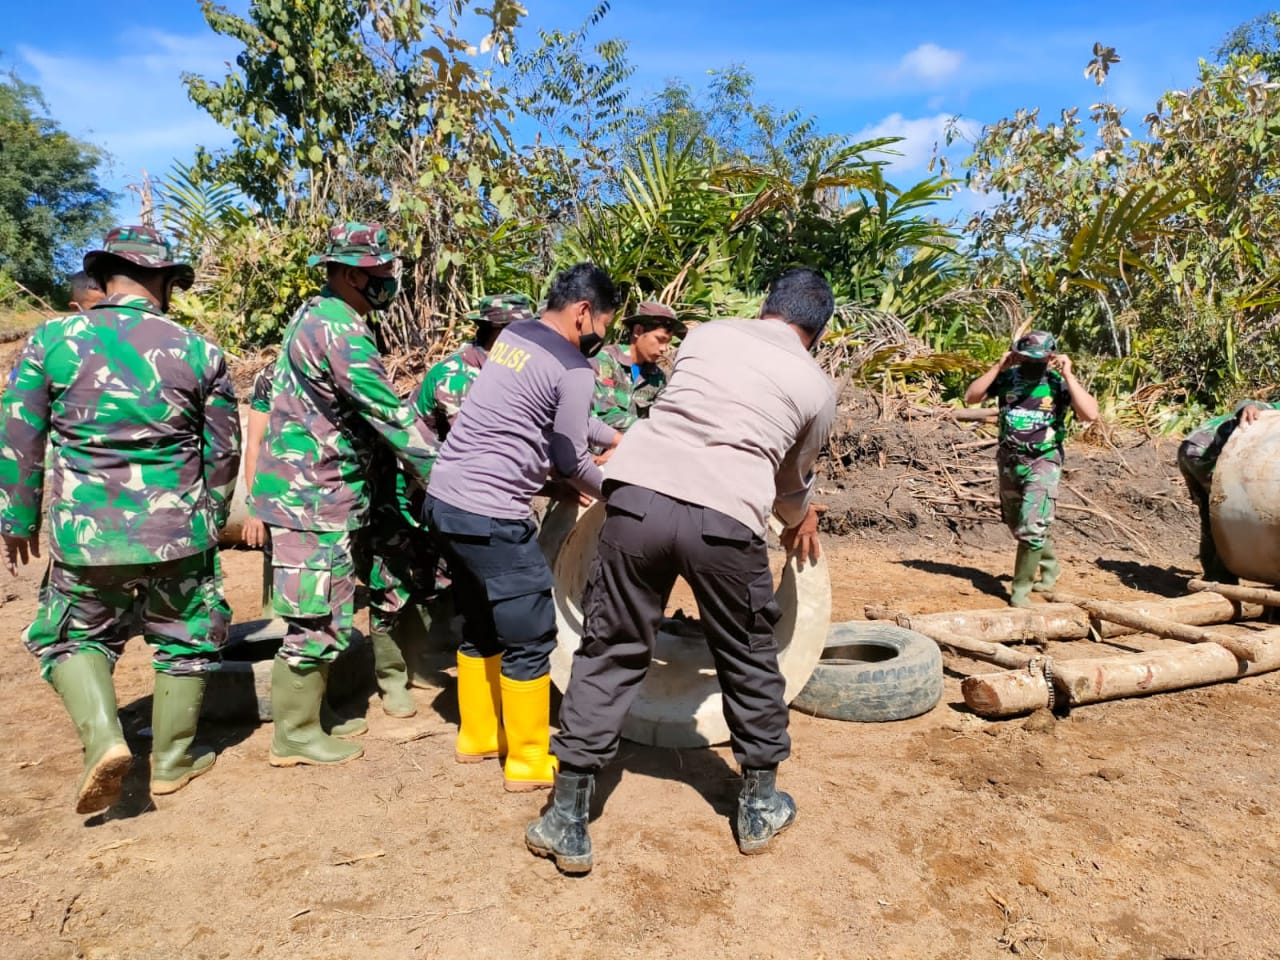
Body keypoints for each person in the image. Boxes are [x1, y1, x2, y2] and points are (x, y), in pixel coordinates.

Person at [526, 267, 838, 874]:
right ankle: (759, 805)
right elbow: (789, 483)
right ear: (818, 331)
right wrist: (801, 517)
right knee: (747, 651)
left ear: (766, 307)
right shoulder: (816, 387)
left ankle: (566, 816)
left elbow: (687, 413)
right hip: (725, 517)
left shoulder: (707, 335)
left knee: (610, 645)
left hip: (637, 498)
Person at [0, 226, 241, 814]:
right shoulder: (198, 350)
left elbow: (20, 438)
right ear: (162, 281)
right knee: (186, 638)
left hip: (86, 535)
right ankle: (173, 761)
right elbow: (223, 451)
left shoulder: (51, 340)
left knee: (71, 637)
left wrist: (18, 517)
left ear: (105, 276)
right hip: (178, 532)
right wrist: (208, 518)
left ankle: (104, 739)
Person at [424, 264, 621, 792]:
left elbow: (558, 414)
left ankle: (479, 735)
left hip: (444, 501)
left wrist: (614, 438)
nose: (602, 335)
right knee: (531, 631)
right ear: (584, 312)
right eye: (604, 323)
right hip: (490, 512)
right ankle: (529, 759)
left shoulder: (516, 338)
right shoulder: (573, 366)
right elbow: (571, 456)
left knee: (481, 621)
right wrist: (616, 491)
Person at [251, 221, 439, 767]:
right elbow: (387, 411)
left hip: (317, 490)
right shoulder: (339, 329)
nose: (389, 281)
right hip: (313, 494)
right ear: (353, 274)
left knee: (325, 605)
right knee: (315, 615)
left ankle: (313, 716)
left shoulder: (319, 315)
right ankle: (294, 735)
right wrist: (444, 473)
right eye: (380, 272)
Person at [963, 331, 1099, 607]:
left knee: (1032, 527)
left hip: (1043, 460)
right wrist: (998, 367)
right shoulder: (1007, 379)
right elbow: (971, 397)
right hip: (1010, 460)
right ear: (1017, 355)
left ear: (1051, 357)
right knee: (1017, 524)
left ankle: (1020, 592)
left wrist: (1069, 375)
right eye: (1027, 358)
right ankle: (1050, 566)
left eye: (1040, 358)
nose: (1033, 363)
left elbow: (1090, 414)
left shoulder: (1058, 384)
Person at [1177, 400, 1280, 584]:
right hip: (1202, 451)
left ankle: (1217, 577)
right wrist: (1249, 408)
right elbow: (1250, 404)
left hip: (1197, 449)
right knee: (1223, 510)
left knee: (1213, 516)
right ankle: (1219, 578)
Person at [591, 300, 686, 430]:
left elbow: (661, 416)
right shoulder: (606, 361)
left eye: (667, 342)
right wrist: (651, 430)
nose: (664, 348)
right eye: (660, 339)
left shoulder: (658, 378)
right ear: (638, 330)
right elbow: (604, 415)